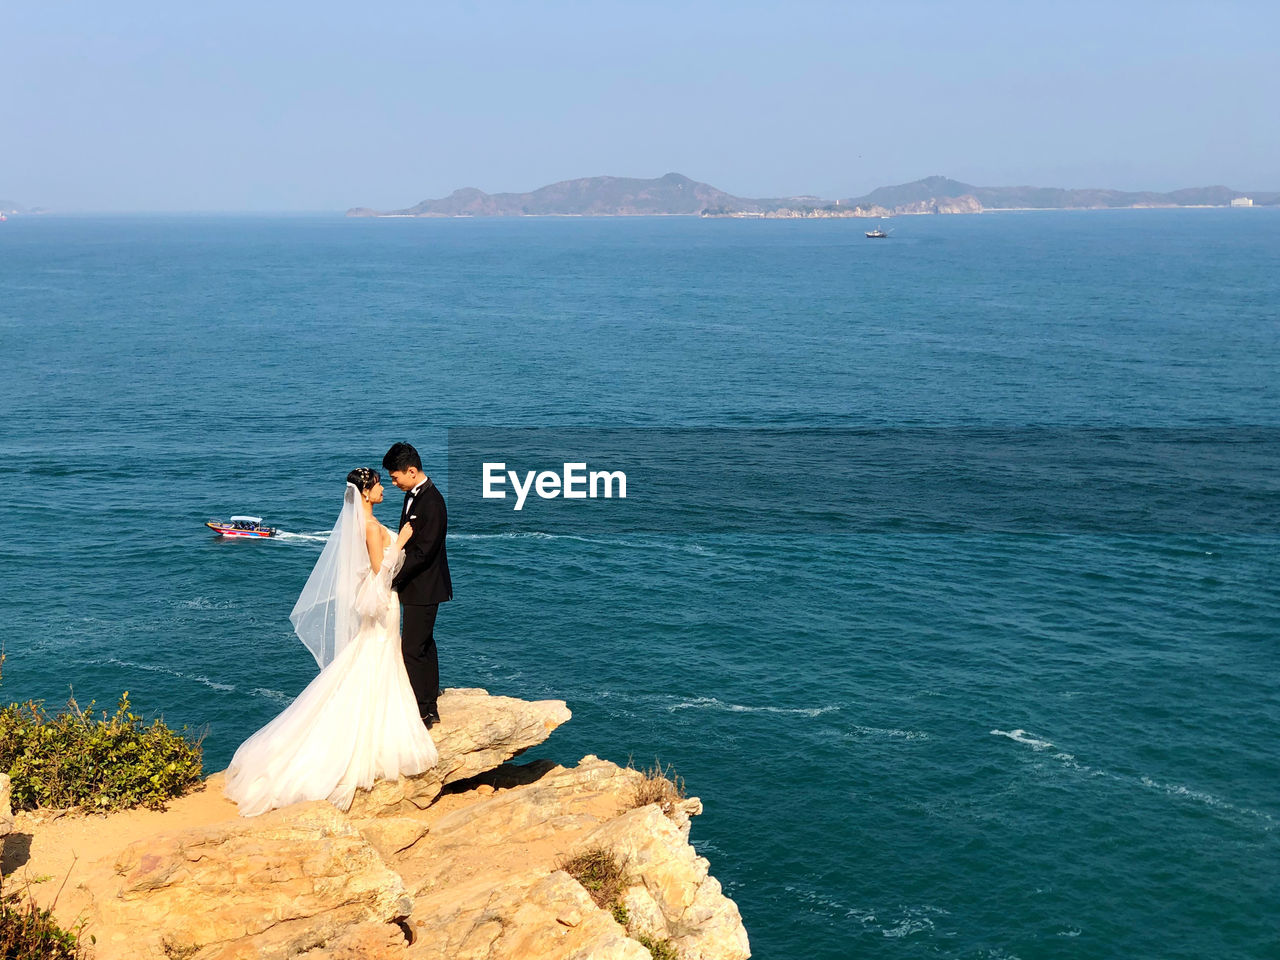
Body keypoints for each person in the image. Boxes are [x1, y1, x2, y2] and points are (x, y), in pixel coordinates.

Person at [223, 468, 438, 816]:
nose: (384, 488)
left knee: (376, 658)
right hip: (384, 601)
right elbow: (378, 570)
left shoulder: (363, 524)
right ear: (366, 493)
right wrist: (399, 543)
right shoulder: (370, 527)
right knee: (380, 657)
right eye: (379, 484)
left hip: (382, 601)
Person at [382, 442, 452, 728]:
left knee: (412, 648)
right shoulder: (413, 496)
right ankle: (428, 704)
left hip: (424, 587)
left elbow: (423, 552)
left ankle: (421, 710)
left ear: (411, 471)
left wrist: (391, 577)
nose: (394, 482)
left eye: (396, 477)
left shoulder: (432, 502)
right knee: (424, 645)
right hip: (419, 586)